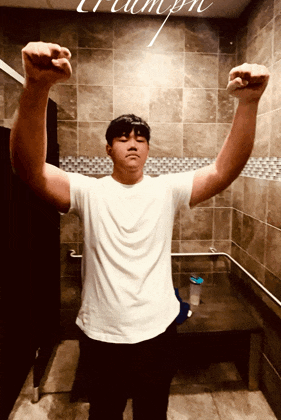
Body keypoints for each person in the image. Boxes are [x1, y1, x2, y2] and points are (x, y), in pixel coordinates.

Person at [10, 42, 269, 420]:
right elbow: (29, 168)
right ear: (108, 149)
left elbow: (222, 171)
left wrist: (248, 104)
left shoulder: (166, 189)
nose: (133, 144)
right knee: (105, 412)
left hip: (158, 331)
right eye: (123, 138)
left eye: (140, 139)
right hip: (101, 334)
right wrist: (36, 87)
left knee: (152, 413)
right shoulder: (88, 191)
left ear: (148, 149)